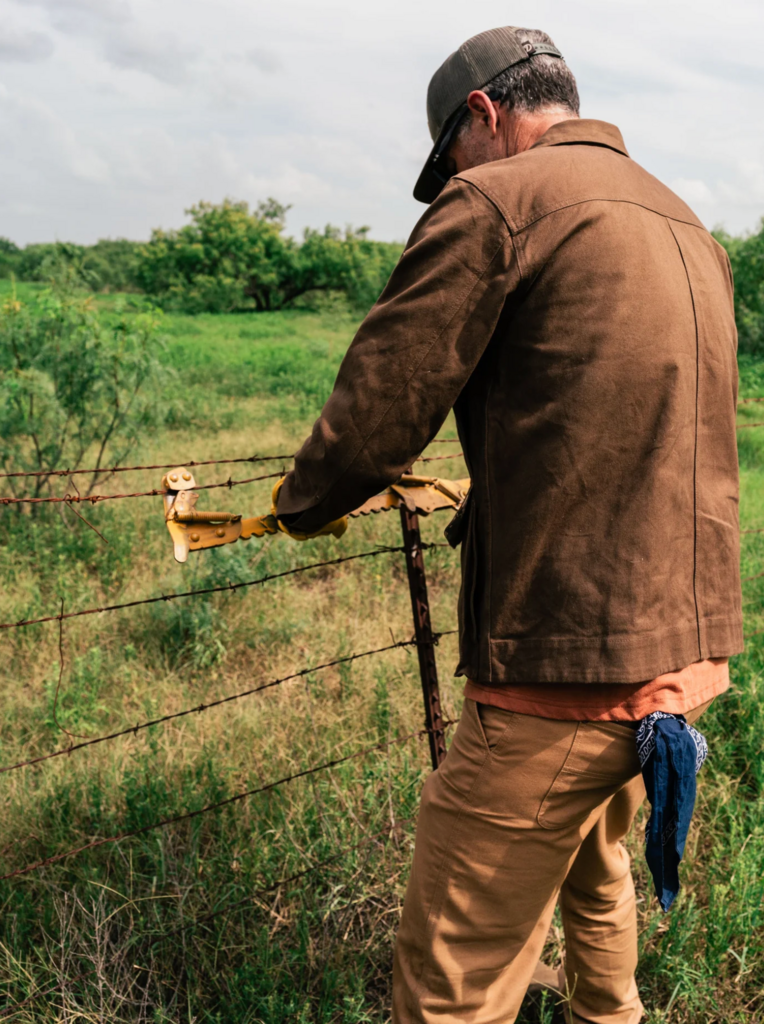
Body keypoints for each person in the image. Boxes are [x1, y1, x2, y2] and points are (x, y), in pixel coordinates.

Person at [275, 25, 742, 1024]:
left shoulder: (494, 200)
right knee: (594, 870)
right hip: (674, 671)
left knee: (449, 985)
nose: (450, 174)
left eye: (446, 155)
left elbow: (370, 425)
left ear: (480, 117)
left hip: (556, 680)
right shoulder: (682, 220)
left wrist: (294, 507)